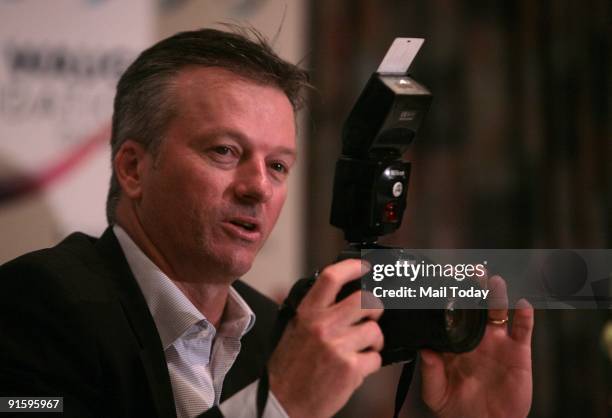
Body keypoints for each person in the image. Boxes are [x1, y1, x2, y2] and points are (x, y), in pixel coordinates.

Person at [0, 27, 534, 418]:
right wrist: (279, 405)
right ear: (134, 168)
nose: (259, 187)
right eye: (225, 151)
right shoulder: (36, 304)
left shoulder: (272, 333)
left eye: (278, 165)